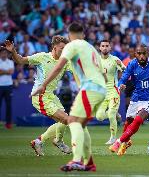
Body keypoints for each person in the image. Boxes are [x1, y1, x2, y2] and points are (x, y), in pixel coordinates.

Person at [31, 22, 106, 172]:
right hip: (100, 89)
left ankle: (77, 160)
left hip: (90, 89)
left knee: (73, 122)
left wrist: (43, 84)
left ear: (70, 35)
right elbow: (102, 72)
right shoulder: (90, 48)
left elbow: (58, 66)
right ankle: (88, 162)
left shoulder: (72, 46)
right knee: (77, 123)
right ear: (83, 34)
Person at [3, 36, 71, 156]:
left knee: (63, 121)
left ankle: (39, 141)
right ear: (54, 47)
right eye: (62, 48)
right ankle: (57, 141)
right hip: (40, 96)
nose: (64, 51)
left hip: (52, 96)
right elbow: (20, 60)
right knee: (65, 119)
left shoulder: (65, 61)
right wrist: (13, 51)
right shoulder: (42, 57)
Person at [96, 40, 126, 145]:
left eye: (107, 46)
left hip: (114, 91)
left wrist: (122, 83)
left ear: (110, 48)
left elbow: (125, 71)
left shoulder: (115, 60)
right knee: (99, 117)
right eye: (103, 46)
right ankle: (115, 113)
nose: (104, 48)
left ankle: (113, 138)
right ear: (99, 48)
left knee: (111, 114)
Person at [0, 48, 14, 129]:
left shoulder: (11, 62)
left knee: (8, 105)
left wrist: (2, 71)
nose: (4, 54)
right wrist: (7, 71)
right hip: (0, 86)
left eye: (5, 53)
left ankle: (8, 123)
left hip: (8, 85)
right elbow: (8, 72)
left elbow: (11, 72)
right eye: (2, 53)